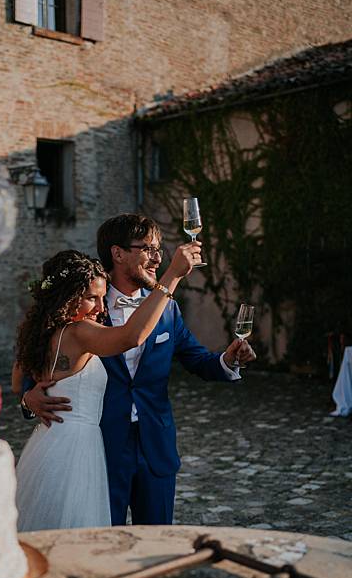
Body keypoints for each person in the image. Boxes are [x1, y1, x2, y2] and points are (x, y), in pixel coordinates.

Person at [20, 214, 256, 527]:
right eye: (147, 249)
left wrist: (229, 360)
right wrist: (27, 399)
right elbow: (35, 358)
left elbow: (197, 359)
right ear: (118, 253)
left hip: (154, 446)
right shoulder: (85, 307)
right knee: (103, 543)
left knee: (157, 539)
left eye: (159, 249)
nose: (158, 257)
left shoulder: (166, 307)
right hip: (99, 449)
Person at [13, 246, 195, 530]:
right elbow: (131, 336)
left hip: (48, 443)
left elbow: (17, 381)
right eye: (91, 299)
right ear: (68, 297)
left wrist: (28, 397)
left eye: (101, 297)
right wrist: (170, 278)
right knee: (80, 530)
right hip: (79, 448)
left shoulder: (41, 334)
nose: (100, 308)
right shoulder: (80, 332)